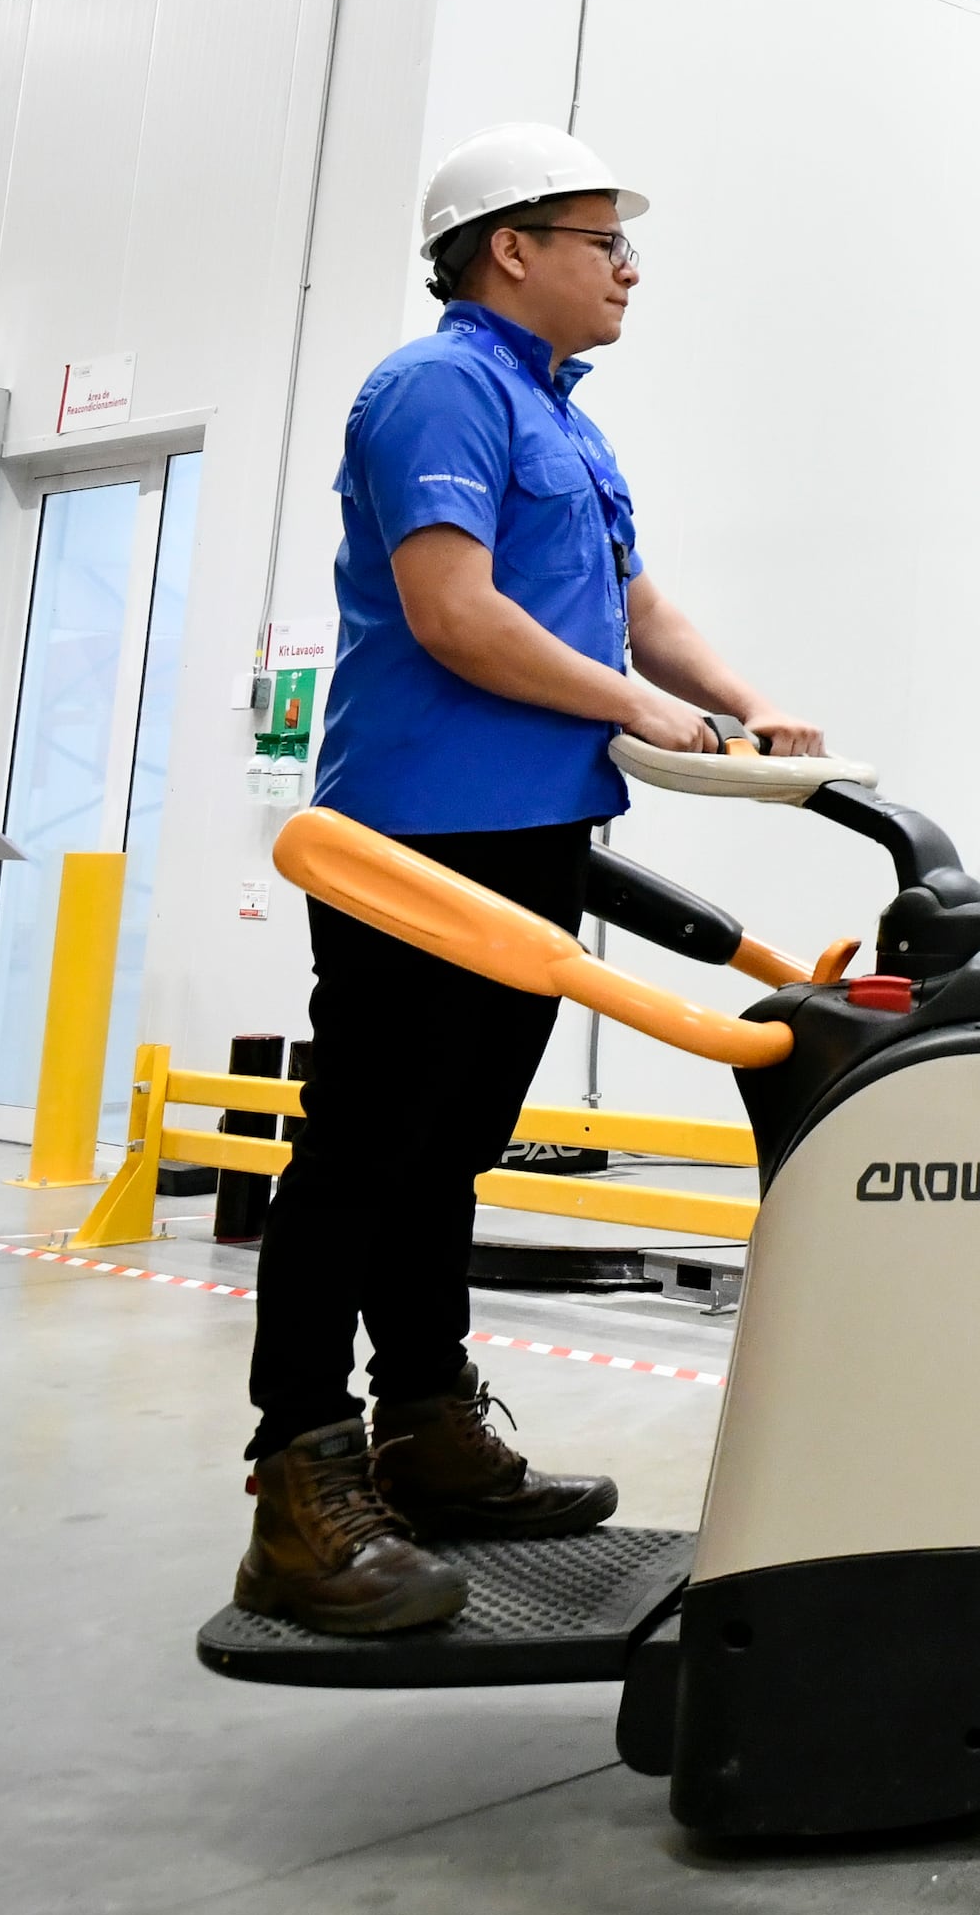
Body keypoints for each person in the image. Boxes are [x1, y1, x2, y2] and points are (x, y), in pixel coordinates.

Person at [235, 124, 824, 1636]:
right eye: (599, 238)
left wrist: (744, 702)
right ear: (511, 246)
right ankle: (299, 1491)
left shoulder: (565, 418)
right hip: (420, 836)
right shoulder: (436, 388)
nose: (627, 266)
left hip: (534, 830)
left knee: (449, 1146)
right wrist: (639, 707)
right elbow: (453, 615)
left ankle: (425, 1431)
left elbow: (630, 603)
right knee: (367, 1148)